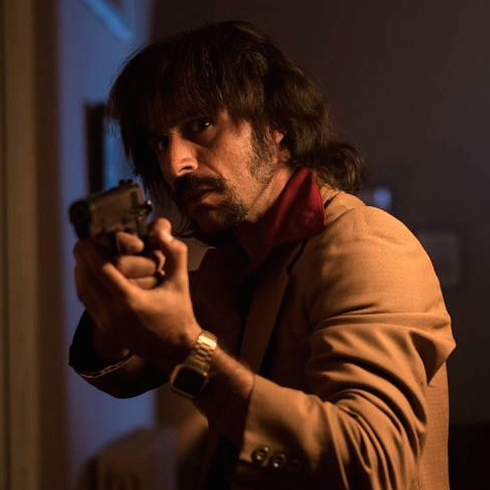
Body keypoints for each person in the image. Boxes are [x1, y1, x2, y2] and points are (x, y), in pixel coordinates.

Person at [70, 20, 455, 490]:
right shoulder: (237, 262)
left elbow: (371, 464)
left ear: (277, 128)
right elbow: (122, 373)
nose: (176, 165)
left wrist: (188, 350)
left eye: (201, 125)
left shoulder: (366, 245)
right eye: (160, 141)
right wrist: (113, 308)